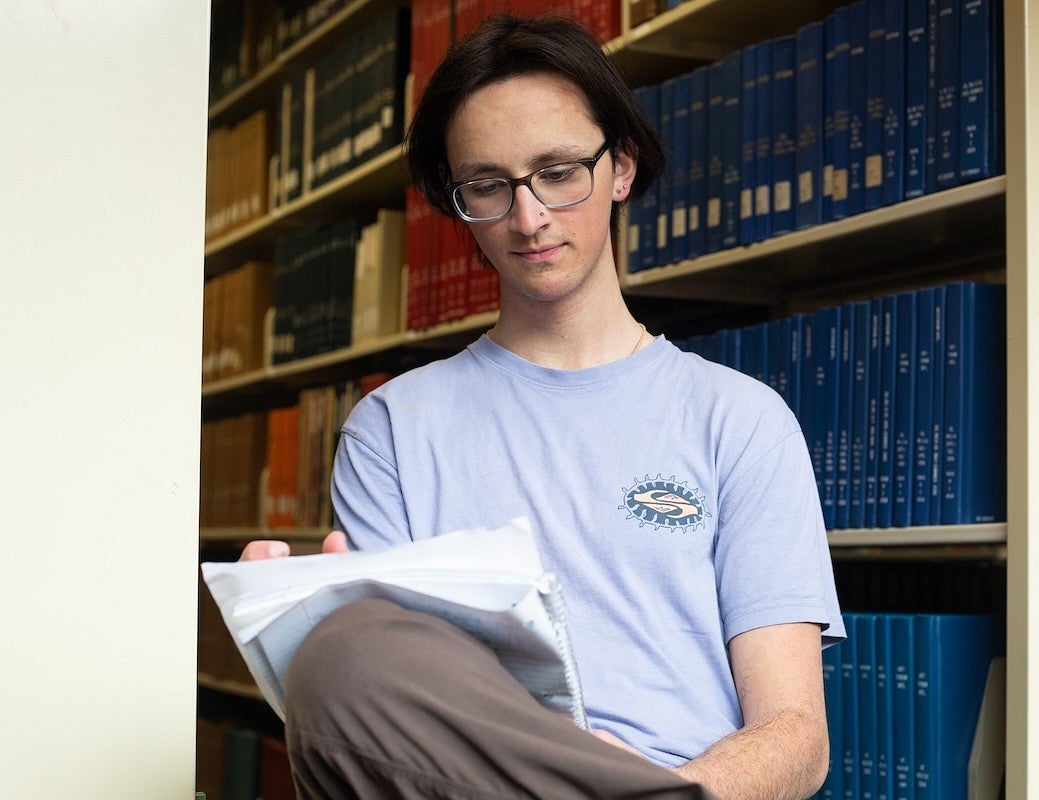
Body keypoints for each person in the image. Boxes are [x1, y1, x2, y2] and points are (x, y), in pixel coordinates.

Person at [242, 14, 844, 800]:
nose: (528, 219)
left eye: (559, 172)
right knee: (342, 653)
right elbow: (386, 720)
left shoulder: (742, 420)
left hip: (685, 793)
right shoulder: (391, 428)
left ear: (621, 167)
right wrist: (297, 645)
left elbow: (796, 736)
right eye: (489, 186)